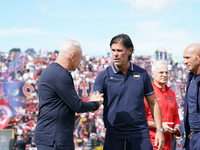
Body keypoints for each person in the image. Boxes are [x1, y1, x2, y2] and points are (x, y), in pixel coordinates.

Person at [93, 34, 164, 150]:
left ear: (129, 51)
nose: (115, 54)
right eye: (113, 50)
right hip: (114, 133)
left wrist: (160, 130)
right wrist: (94, 101)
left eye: (119, 50)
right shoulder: (103, 76)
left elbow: (153, 103)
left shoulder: (142, 74)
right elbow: (94, 97)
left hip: (140, 132)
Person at [34, 40, 104, 150]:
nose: (80, 62)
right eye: (80, 58)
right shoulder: (61, 74)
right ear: (73, 57)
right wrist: (96, 103)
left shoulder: (49, 71)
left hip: (48, 136)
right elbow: (77, 106)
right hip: (55, 138)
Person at [144, 61, 181, 150]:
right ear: (153, 74)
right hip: (152, 142)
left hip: (169, 144)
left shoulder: (171, 93)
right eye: (161, 72)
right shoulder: (147, 93)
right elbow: (140, 120)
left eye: (166, 72)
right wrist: (160, 126)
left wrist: (176, 128)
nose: (164, 75)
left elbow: (175, 116)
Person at [183, 43, 200, 150]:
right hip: (191, 137)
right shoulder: (190, 77)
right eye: (184, 58)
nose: (185, 62)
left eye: (188, 58)